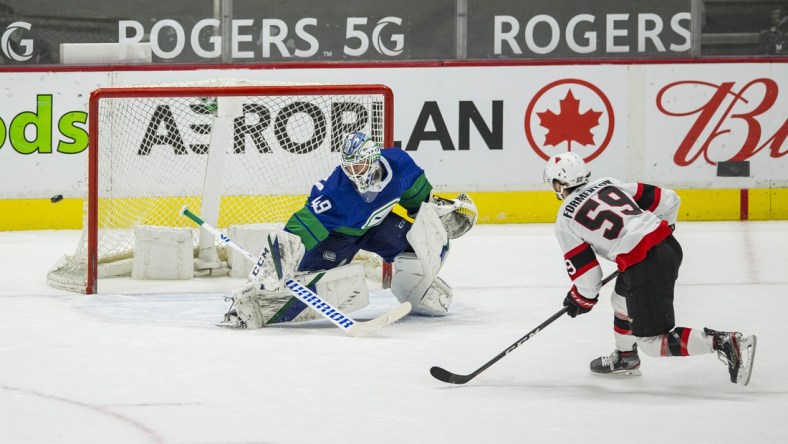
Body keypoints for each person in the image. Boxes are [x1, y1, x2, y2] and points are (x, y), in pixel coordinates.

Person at [222, 131, 477, 329]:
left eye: (359, 166)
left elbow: (418, 198)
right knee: (312, 278)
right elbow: (300, 228)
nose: (354, 173)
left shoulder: (400, 165)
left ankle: (416, 289)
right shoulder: (336, 193)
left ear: (373, 160)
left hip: (378, 227)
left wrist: (439, 212)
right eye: (349, 168)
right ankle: (257, 306)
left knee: (416, 243)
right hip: (339, 237)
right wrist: (272, 268)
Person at [542, 152, 757, 385]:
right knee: (621, 301)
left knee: (652, 343)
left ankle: (723, 342)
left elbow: (589, 278)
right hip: (668, 247)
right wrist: (660, 232)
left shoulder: (565, 219)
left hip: (645, 265)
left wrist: (580, 299)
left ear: (559, 184)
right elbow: (669, 199)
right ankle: (626, 358)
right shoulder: (608, 184)